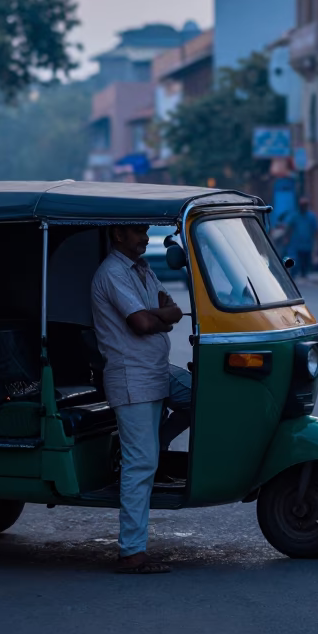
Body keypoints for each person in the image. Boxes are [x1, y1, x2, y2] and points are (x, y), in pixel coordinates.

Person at [90, 224, 191, 574]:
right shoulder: (112, 273)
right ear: (117, 233)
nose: (145, 238)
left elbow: (172, 311)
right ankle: (131, 554)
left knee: (201, 396)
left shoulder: (143, 268)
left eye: (146, 231)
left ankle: (153, 444)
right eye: (137, 231)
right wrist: (160, 318)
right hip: (132, 375)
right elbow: (141, 324)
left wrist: (159, 317)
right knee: (140, 465)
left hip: (158, 369)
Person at [289, 196, 318, 277]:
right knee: (296, 261)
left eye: (305, 205)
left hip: (307, 245)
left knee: (305, 262)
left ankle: (304, 274)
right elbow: (289, 228)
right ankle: (294, 275)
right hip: (296, 244)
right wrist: (287, 239)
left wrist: (317, 243)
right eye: (302, 205)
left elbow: (316, 230)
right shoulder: (295, 216)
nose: (303, 206)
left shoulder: (311, 217)